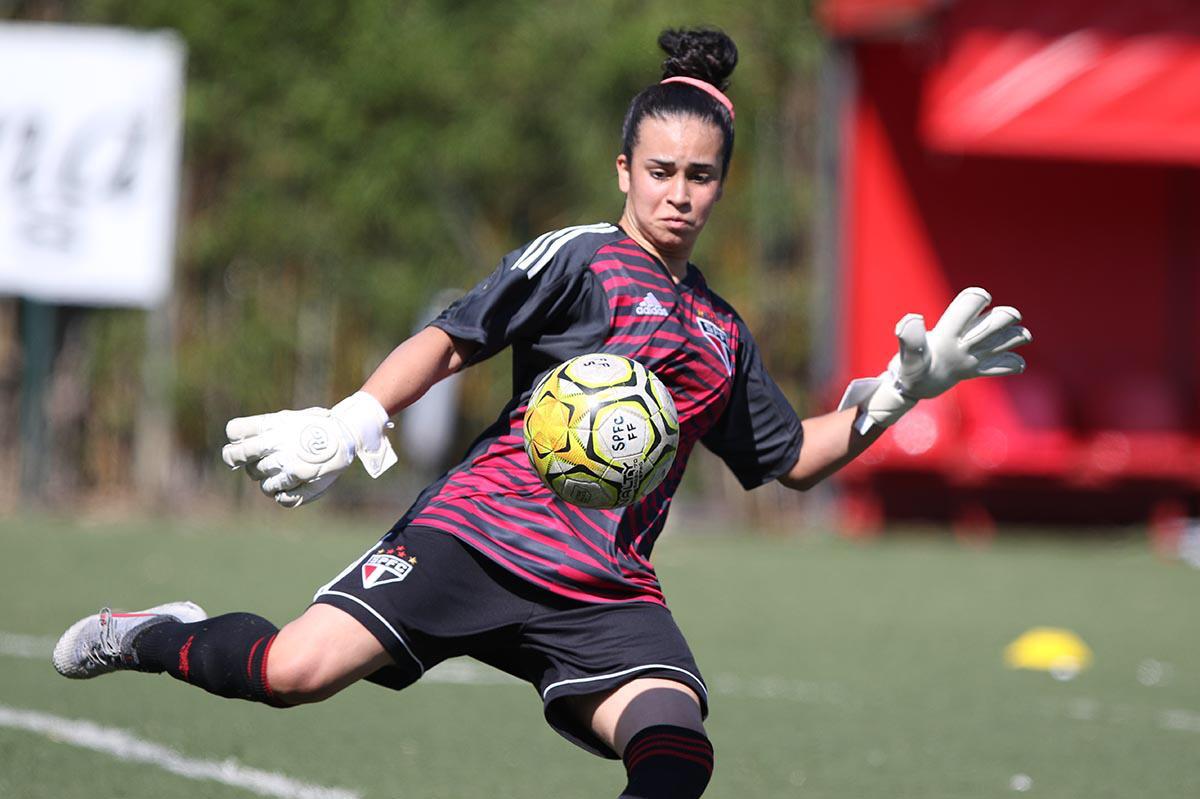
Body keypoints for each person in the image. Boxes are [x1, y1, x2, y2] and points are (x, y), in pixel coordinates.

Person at [52, 27, 1030, 799]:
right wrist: (351, 420)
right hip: (475, 533)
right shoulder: (579, 256)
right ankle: (154, 633)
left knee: (676, 738)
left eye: (700, 176)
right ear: (623, 170)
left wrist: (900, 393)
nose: (679, 194)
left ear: (720, 184)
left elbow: (794, 458)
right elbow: (450, 337)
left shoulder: (723, 334)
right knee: (288, 671)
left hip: (602, 583)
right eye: (661, 172)